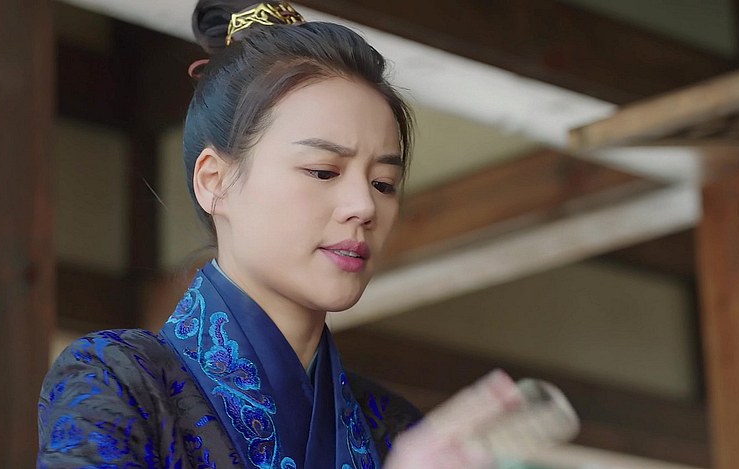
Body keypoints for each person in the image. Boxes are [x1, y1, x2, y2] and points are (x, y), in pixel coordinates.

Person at [37, 1, 523, 468]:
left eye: (384, 184)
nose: (363, 206)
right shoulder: (116, 381)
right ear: (215, 181)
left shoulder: (394, 428)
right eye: (323, 171)